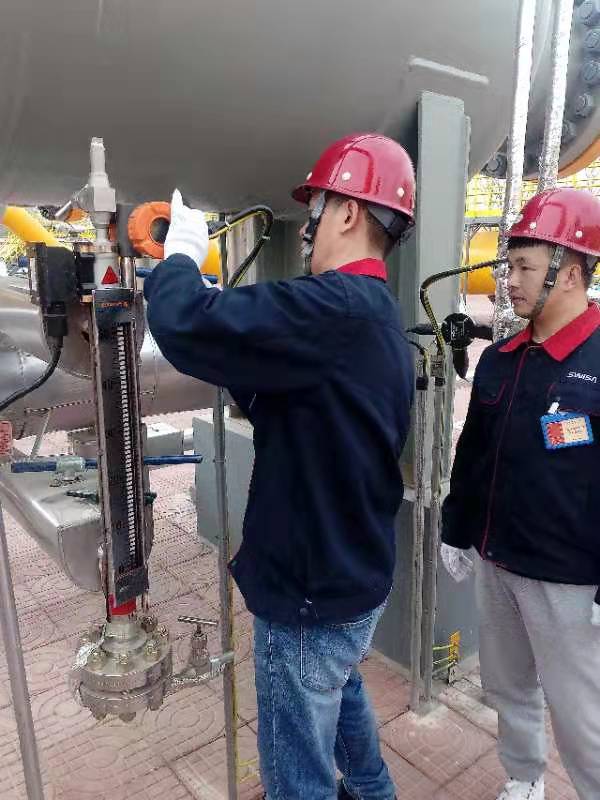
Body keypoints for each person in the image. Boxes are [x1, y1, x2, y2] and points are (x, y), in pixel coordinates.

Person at [144, 133, 416, 800]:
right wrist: (240, 348)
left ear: (349, 212)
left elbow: (185, 324)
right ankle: (374, 791)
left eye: (316, 210)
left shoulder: (333, 307)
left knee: (297, 772)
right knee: (340, 690)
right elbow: (295, 399)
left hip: (308, 595)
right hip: (353, 577)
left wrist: (180, 259)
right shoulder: (375, 313)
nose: (307, 229)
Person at [441, 187, 600, 800]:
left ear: (571, 272)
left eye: (524, 267)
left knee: (582, 713)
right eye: (509, 266)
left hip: (568, 581)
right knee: (508, 687)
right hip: (497, 563)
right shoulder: (502, 358)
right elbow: (472, 454)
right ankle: (525, 777)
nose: (509, 281)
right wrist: (457, 530)